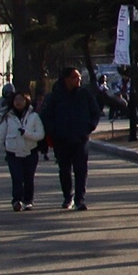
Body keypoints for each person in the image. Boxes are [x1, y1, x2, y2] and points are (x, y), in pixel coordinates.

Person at [39, 65, 101, 211]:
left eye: (78, 77)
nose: (78, 80)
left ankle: (80, 199)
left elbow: (95, 112)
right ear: (66, 79)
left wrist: (89, 127)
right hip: (62, 140)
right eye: (74, 77)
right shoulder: (55, 96)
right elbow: (46, 117)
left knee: (81, 169)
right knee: (64, 169)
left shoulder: (85, 94)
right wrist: (55, 131)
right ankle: (68, 196)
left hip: (81, 139)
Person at [0, 86, 48, 210]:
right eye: (16, 99)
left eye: (21, 99)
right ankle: (17, 200)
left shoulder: (34, 116)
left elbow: (40, 135)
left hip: (30, 152)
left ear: (26, 101)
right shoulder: (7, 117)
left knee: (28, 178)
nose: (18, 102)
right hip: (13, 153)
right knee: (17, 177)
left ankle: (28, 200)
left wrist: (26, 134)